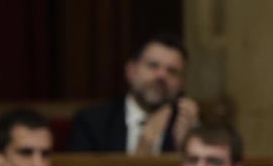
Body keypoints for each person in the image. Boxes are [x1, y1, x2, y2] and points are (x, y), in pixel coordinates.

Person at [68, 33, 199, 154]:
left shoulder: (188, 124)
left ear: (182, 83)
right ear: (131, 71)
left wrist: (184, 146)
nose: (161, 76)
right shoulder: (92, 123)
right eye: (153, 66)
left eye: (172, 71)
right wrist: (144, 147)